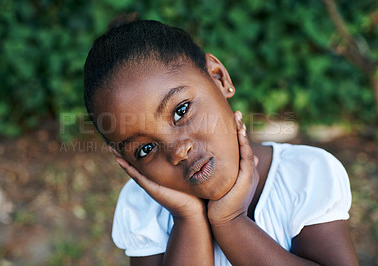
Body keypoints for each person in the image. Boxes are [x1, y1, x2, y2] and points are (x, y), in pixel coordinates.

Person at [83, 20, 358, 265]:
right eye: (145, 149)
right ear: (126, 162)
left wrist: (230, 222)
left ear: (218, 77)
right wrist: (187, 218)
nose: (179, 151)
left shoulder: (304, 176)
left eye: (181, 110)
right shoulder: (142, 208)